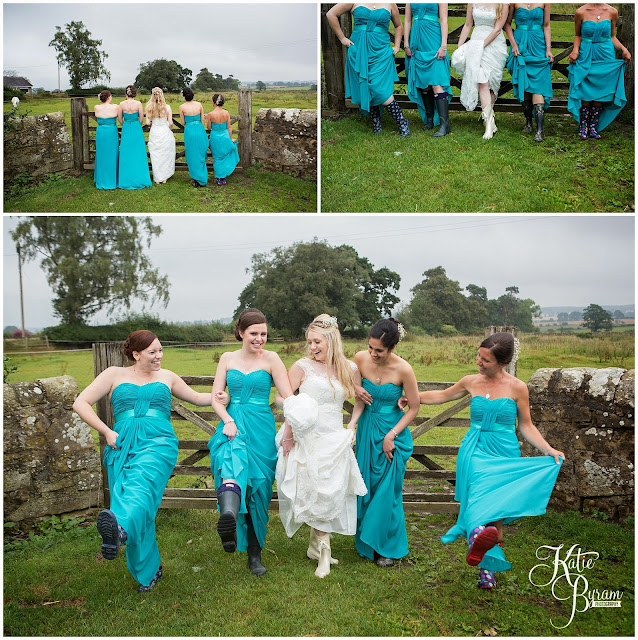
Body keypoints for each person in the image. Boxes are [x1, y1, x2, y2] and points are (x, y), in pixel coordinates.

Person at [401, 332, 564, 589]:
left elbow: (526, 426)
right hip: (475, 451)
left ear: (503, 362)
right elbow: (443, 395)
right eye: (479, 356)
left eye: (485, 360)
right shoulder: (470, 381)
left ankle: (487, 570)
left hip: (504, 452)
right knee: (478, 500)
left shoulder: (517, 388)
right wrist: (413, 398)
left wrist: (548, 449)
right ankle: (476, 533)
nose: (479, 362)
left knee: (496, 512)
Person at [72, 330, 212, 592]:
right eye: (152, 352)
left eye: (160, 350)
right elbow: (81, 403)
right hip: (121, 443)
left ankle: (121, 529)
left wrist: (220, 396)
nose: (158, 356)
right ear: (135, 354)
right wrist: (106, 431)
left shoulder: (167, 377)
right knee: (133, 501)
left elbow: (196, 397)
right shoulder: (113, 374)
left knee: (139, 488)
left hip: (158, 443)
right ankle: (149, 571)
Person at [275, 314, 368, 578]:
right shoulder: (302, 366)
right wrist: (297, 409)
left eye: (317, 342)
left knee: (330, 489)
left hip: (334, 436)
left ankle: (316, 547)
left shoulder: (349, 369)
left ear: (331, 340)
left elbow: (359, 400)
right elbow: (281, 396)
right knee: (315, 488)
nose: (312, 347)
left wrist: (352, 426)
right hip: (307, 435)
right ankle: (324, 552)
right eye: (309, 342)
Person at [207, 309, 293, 576]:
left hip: (260, 427)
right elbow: (216, 396)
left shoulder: (272, 359)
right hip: (232, 424)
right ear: (241, 333)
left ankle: (255, 554)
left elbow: (287, 399)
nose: (259, 339)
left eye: (264, 334)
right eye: (254, 333)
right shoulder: (227, 358)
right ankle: (229, 526)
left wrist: (289, 430)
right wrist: (226, 417)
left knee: (259, 488)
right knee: (231, 472)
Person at [353, 318, 420, 567]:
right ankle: (368, 543)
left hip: (392, 435)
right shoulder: (360, 359)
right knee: (366, 487)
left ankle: (387, 548)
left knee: (387, 492)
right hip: (367, 430)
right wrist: (355, 388)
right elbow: (350, 383)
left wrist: (391, 435)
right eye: (370, 348)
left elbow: (414, 407)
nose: (373, 354)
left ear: (391, 348)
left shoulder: (404, 369)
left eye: (378, 350)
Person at [327, 3, 410, 136]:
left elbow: (398, 25)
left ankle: (402, 122)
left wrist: (397, 45)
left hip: (381, 50)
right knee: (365, 85)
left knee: (379, 88)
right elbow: (330, 14)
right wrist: (342, 38)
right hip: (359, 49)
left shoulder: (390, 3)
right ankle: (376, 121)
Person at [567, 3, 630, 140]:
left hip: (605, 54)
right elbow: (578, 35)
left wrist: (624, 49)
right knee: (584, 88)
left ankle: (593, 127)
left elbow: (612, 36)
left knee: (601, 90)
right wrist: (575, 50)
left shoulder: (612, 11)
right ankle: (583, 125)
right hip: (586, 54)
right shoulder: (580, 12)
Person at [451, 4, 509, 139]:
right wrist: (461, 46)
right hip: (476, 41)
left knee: (492, 84)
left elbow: (497, 30)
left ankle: (489, 121)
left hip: (494, 45)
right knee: (482, 82)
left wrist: (480, 46)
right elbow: (467, 24)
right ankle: (489, 126)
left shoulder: (503, 4)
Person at [504, 4, 553, 141]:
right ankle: (528, 122)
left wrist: (548, 49)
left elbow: (547, 25)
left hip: (538, 44)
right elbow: (507, 24)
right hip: (519, 44)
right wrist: (513, 44)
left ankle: (539, 131)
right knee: (524, 85)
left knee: (538, 87)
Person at [404, 3, 452, 136]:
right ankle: (429, 120)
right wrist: (406, 43)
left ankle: (444, 125)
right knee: (423, 84)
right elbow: (408, 20)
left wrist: (443, 46)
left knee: (436, 82)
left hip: (433, 39)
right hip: (417, 40)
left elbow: (444, 20)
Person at [117, 85, 152, 189]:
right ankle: (140, 177)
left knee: (126, 152)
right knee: (138, 152)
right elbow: (141, 118)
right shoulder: (138, 103)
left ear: (125, 94)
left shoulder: (122, 104)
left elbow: (119, 118)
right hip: (137, 127)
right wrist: (137, 124)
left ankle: (126, 178)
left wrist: (125, 123)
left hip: (127, 127)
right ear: (134, 93)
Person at [205, 93, 240, 186]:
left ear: (213, 102)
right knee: (224, 156)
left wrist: (207, 119)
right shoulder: (226, 113)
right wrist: (231, 137)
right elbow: (229, 127)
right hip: (225, 136)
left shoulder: (211, 114)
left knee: (217, 158)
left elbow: (209, 127)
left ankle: (218, 178)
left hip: (215, 137)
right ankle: (223, 178)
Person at [179, 88, 209, 187]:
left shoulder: (182, 107)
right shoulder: (199, 105)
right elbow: (202, 120)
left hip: (189, 131)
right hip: (199, 130)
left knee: (192, 154)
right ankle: (202, 178)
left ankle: (196, 178)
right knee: (200, 153)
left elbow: (183, 122)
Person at [145, 87, 175, 184]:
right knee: (165, 154)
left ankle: (157, 177)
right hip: (164, 130)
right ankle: (164, 176)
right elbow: (170, 123)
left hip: (155, 131)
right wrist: (169, 129)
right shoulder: (167, 107)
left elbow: (147, 123)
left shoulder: (149, 107)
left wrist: (152, 124)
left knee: (156, 154)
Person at [93, 90, 119, 189]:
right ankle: (112, 179)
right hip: (111, 132)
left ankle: (101, 178)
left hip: (101, 132)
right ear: (109, 97)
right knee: (112, 154)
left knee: (101, 155)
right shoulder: (115, 107)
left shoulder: (96, 107)